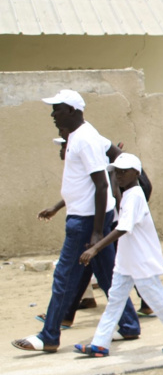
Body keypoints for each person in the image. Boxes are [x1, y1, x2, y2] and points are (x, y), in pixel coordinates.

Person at [14, 90, 140, 353]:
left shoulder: (84, 139)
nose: (52, 114)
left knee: (64, 277)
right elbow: (103, 163)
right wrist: (61, 206)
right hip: (87, 216)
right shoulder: (83, 134)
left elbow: (100, 184)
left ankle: (49, 335)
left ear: (72, 110)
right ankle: (128, 324)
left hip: (85, 222)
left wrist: (95, 233)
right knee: (106, 275)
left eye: (57, 109)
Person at [74, 153, 163, 357]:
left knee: (156, 299)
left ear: (136, 173)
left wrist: (95, 248)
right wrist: (112, 177)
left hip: (141, 261)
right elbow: (116, 196)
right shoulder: (128, 194)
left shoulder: (136, 196)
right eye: (116, 172)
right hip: (127, 260)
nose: (119, 175)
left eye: (123, 172)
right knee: (115, 300)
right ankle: (100, 344)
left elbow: (123, 228)